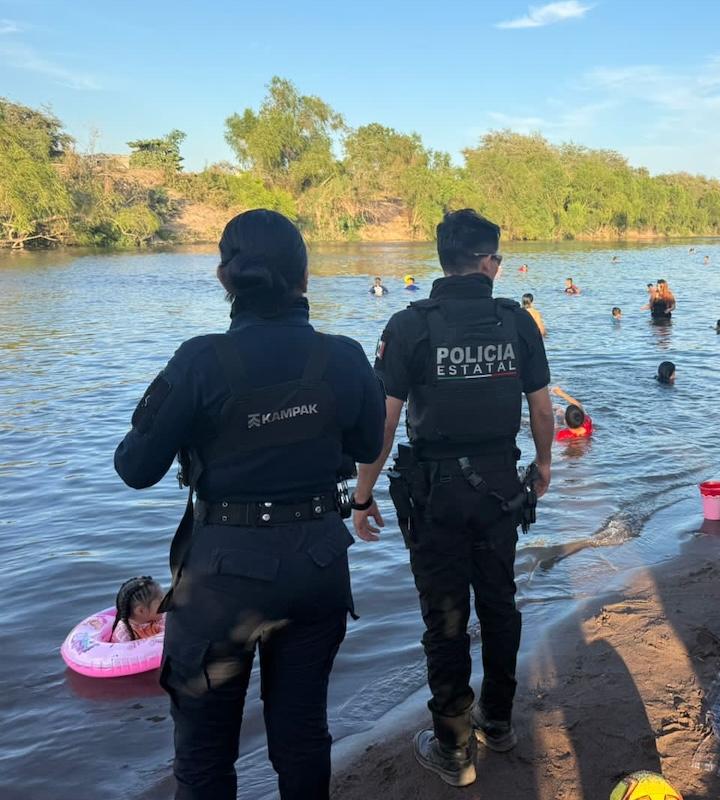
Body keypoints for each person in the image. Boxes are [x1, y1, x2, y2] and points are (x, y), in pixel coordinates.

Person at [113, 209, 385, 799]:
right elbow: (367, 443)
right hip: (316, 566)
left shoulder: (199, 360)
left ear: (224, 277)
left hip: (221, 583)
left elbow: (134, 468)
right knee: (303, 734)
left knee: (206, 758)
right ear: (304, 279)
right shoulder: (343, 356)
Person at [353, 209, 552, 787]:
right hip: (500, 490)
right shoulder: (517, 323)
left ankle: (454, 748)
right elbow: (541, 409)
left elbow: (383, 422)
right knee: (499, 604)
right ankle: (500, 720)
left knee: (444, 619)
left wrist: (362, 495)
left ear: (443, 260)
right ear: (490, 262)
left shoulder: (410, 325)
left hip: (433, 494)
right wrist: (543, 465)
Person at [110, 576, 166, 643]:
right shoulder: (123, 633)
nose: (166, 603)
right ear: (141, 610)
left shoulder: (160, 619)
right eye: (161, 601)